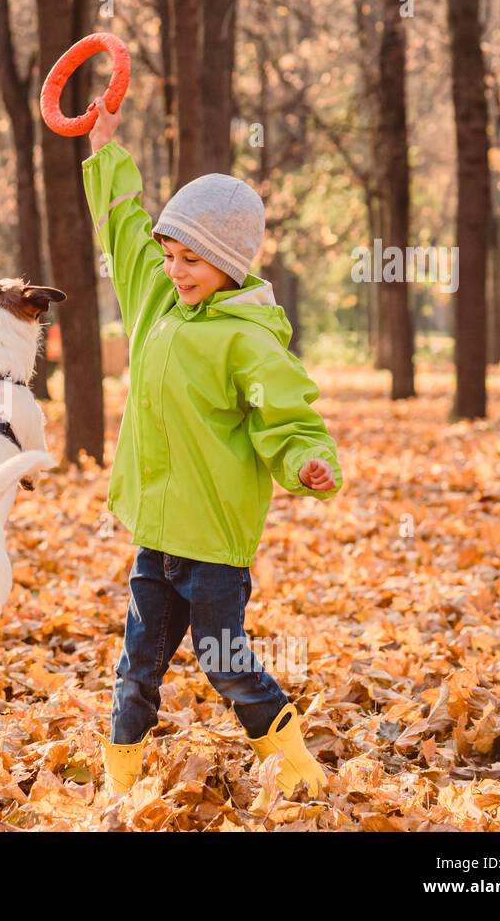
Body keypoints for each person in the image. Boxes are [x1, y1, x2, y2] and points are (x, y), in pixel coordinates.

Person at [81, 95, 343, 799]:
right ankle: (120, 785)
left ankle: (300, 773)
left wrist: (306, 462)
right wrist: (104, 149)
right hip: (155, 537)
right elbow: (121, 231)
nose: (175, 270)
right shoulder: (156, 304)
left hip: (215, 548)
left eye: (193, 259)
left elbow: (286, 419)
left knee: (223, 662)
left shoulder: (247, 338)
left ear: (228, 260)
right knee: (137, 664)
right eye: (171, 255)